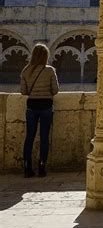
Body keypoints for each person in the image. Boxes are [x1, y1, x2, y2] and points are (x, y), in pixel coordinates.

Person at [20, 43, 59, 178]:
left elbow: (23, 91)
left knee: (29, 137)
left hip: (31, 106)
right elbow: (55, 90)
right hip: (46, 106)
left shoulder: (26, 70)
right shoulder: (49, 70)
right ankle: (42, 167)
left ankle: (27, 168)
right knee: (44, 137)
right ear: (46, 55)